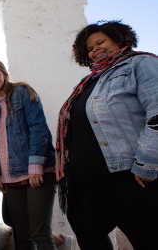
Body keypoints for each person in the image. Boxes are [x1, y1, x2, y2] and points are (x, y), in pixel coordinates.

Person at [56, 21, 158, 249]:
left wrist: (147, 163)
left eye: (100, 42)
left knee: (148, 239)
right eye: (90, 48)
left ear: (119, 39)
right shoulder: (90, 81)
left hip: (126, 177)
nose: (95, 50)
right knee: (89, 238)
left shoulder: (141, 63)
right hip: (85, 184)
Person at [0, 58, 57, 250]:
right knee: (21, 233)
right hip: (10, 176)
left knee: (40, 232)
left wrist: (35, 165)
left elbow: (38, 129)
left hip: (36, 171)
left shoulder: (22, 93)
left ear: (4, 75)